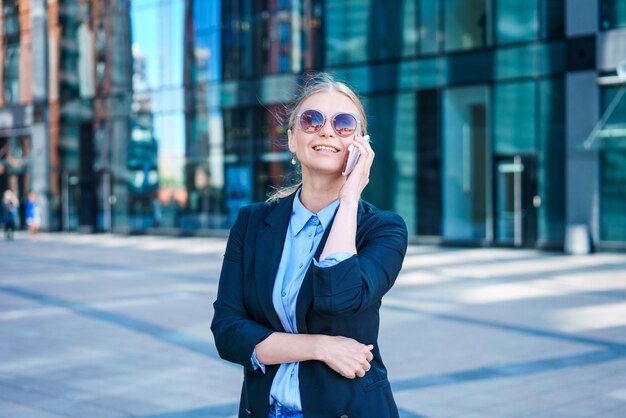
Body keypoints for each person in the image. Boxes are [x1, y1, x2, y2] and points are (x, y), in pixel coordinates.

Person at [211, 73, 408, 418]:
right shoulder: (252, 222)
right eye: (312, 120)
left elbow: (338, 300)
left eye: (344, 124)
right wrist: (321, 347)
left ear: (361, 145)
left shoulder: (383, 230)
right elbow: (228, 331)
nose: (327, 131)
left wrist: (350, 199)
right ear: (291, 139)